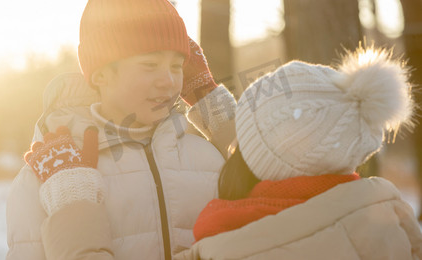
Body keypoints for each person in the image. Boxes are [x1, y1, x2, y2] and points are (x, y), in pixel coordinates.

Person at [6, 0, 237, 260]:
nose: (168, 81)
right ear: (101, 74)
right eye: (150, 65)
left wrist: (209, 99)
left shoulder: (209, 158)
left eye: (177, 66)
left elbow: (275, 187)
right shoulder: (51, 177)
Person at [177, 47, 422, 260]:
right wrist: (206, 96)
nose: (232, 146)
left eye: (240, 141)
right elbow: (273, 146)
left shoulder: (232, 247)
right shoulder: (389, 226)